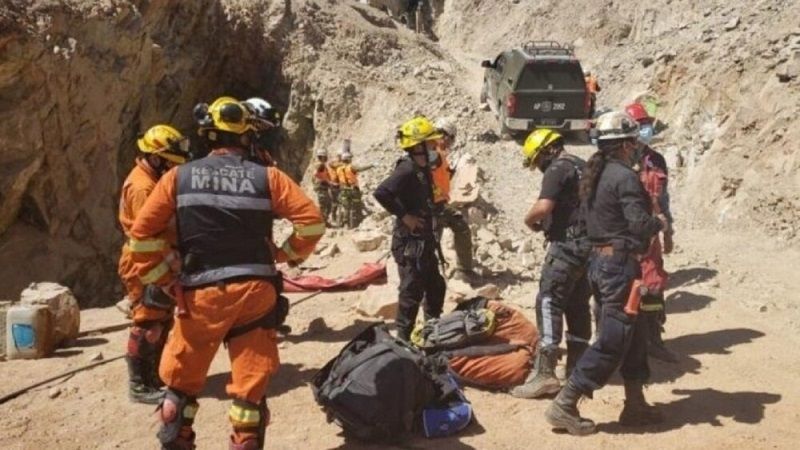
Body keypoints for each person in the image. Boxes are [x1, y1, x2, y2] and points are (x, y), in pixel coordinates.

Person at [129, 96, 325, 449]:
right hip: (255, 293)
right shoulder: (269, 177)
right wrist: (284, 255)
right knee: (250, 396)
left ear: (208, 136)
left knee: (180, 388)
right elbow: (311, 224)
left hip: (200, 293)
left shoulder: (177, 177)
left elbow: (141, 237)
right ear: (247, 137)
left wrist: (163, 279)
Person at [546, 111, 667, 435]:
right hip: (618, 268)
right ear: (627, 144)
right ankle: (565, 403)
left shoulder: (594, 174)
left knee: (636, 332)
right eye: (634, 142)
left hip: (602, 265)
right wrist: (659, 223)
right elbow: (640, 224)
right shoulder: (625, 177)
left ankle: (635, 403)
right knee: (614, 339)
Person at [510, 129, 591, 399]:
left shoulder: (557, 169)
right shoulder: (583, 165)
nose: (539, 168)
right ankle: (577, 370)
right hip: (589, 247)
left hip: (566, 247)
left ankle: (545, 375)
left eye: (537, 162)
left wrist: (529, 220)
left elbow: (543, 207)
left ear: (546, 151)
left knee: (549, 301)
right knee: (578, 303)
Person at [118, 124, 190, 404]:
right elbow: (146, 236)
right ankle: (139, 385)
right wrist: (165, 270)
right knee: (148, 322)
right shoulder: (142, 187)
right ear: (157, 158)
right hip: (145, 263)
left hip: (156, 257)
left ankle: (154, 377)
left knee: (162, 319)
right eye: (170, 163)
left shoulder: (152, 180)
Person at [374, 116, 447, 341]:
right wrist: (405, 216)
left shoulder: (421, 169)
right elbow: (381, 192)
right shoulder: (406, 169)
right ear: (417, 147)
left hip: (424, 241)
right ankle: (403, 341)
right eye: (430, 144)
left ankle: (429, 332)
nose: (435, 148)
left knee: (436, 287)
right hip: (410, 244)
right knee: (411, 292)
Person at [625, 102, 677, 362]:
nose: (646, 129)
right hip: (626, 235)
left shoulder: (656, 160)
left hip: (652, 234)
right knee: (624, 287)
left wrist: (669, 232)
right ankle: (624, 342)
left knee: (654, 285)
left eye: (647, 124)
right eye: (641, 124)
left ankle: (653, 338)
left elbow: (663, 199)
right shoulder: (619, 159)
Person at [430, 117, 475, 281]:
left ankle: (460, 271)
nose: (451, 142)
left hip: (438, 203)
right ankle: (463, 272)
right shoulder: (433, 152)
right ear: (445, 135)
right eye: (452, 138)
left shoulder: (436, 151)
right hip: (432, 205)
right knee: (455, 229)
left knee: (443, 233)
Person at [242, 97, 282, 167]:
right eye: (261, 124)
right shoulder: (229, 140)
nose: (264, 129)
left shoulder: (258, 148)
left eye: (267, 126)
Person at [336, 142, 365, 229]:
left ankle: (345, 222)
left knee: (346, 207)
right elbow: (360, 169)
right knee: (357, 203)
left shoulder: (338, 169)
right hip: (353, 189)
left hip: (344, 189)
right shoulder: (351, 167)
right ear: (348, 159)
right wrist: (372, 165)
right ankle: (357, 220)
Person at [312, 148, 337, 225]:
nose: (326, 158)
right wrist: (326, 181)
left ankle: (324, 222)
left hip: (323, 188)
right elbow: (315, 174)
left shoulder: (322, 165)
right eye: (325, 156)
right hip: (321, 188)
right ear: (322, 156)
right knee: (324, 206)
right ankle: (321, 223)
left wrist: (329, 183)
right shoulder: (320, 164)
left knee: (327, 205)